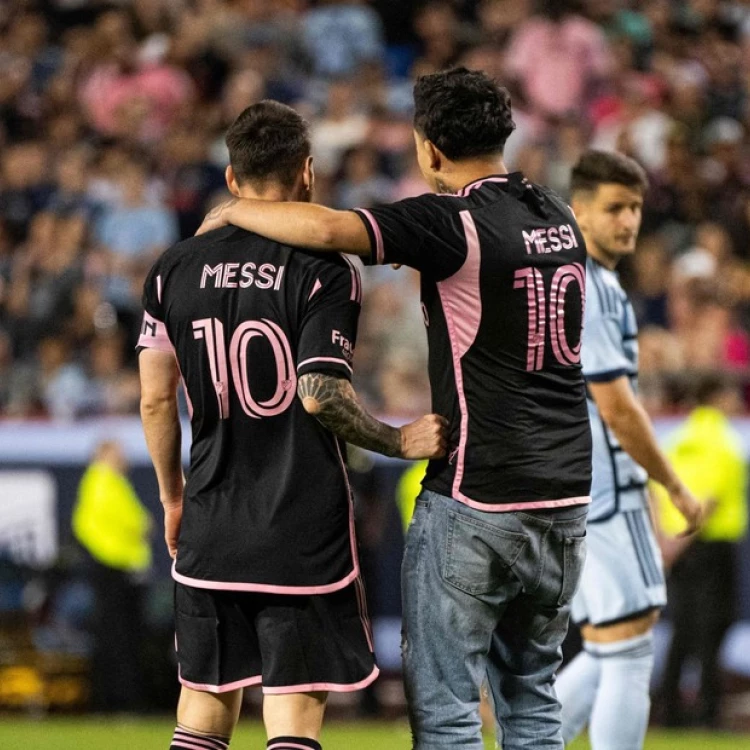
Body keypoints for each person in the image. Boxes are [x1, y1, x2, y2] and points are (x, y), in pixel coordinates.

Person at [198, 67, 594, 750]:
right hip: (565, 497)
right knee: (532, 703)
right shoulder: (555, 215)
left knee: (447, 712)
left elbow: (326, 229)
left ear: (429, 149)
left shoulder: (453, 222)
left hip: (479, 493)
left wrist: (233, 210)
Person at [137, 100, 446, 750]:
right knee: (293, 716)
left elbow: (156, 402)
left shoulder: (173, 268)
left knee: (202, 710)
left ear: (230, 179)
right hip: (300, 527)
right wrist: (397, 439)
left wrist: (172, 497)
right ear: (306, 174)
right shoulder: (325, 271)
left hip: (211, 519)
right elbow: (317, 393)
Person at [554, 150, 704, 750]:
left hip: (577, 487)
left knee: (608, 641)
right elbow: (617, 406)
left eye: (637, 207)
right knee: (629, 646)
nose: (630, 220)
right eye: (615, 207)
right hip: (607, 492)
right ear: (579, 212)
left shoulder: (568, 279)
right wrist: (672, 484)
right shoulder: (596, 287)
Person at [655, 372, 748, 728]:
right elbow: (709, 500)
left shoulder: (677, 440)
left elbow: (658, 490)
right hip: (710, 546)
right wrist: (681, 544)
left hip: (676, 544)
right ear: (717, 396)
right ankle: (708, 711)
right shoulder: (724, 441)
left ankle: (671, 708)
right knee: (712, 629)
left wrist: (668, 544)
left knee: (682, 628)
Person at [72, 439, 153, 712]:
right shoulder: (102, 482)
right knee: (117, 638)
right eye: (118, 452)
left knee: (120, 637)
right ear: (105, 455)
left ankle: (117, 699)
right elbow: (130, 522)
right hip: (114, 569)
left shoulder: (108, 482)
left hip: (119, 568)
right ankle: (117, 701)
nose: (124, 458)